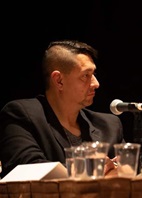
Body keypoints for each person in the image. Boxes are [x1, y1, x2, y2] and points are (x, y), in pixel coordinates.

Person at [0, 40, 124, 178]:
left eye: (94, 74)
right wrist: (91, 169)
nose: (96, 83)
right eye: (85, 75)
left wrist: (121, 169)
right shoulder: (21, 115)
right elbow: (30, 170)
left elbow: (136, 170)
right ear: (59, 80)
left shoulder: (109, 126)